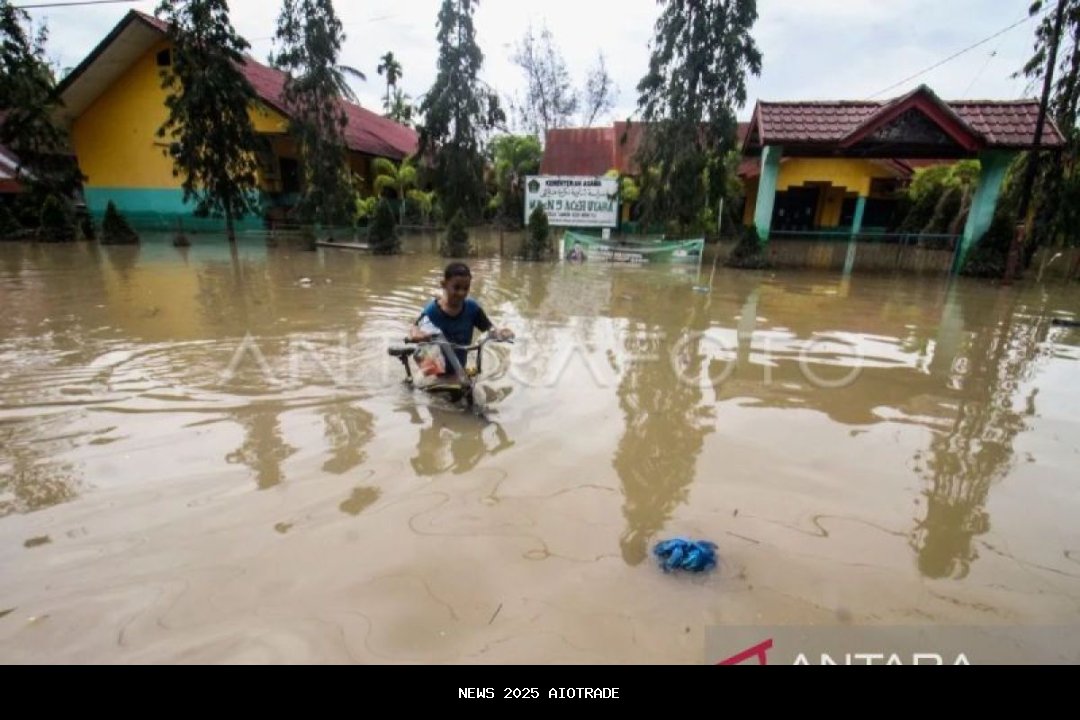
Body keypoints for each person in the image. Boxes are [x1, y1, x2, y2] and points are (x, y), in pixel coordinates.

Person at [408, 262, 514, 375]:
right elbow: (414, 328)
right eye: (456, 287)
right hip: (435, 373)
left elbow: (489, 328)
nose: (461, 293)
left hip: (459, 371)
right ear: (444, 284)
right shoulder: (432, 311)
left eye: (466, 288)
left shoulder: (472, 309)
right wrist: (417, 335)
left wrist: (501, 333)